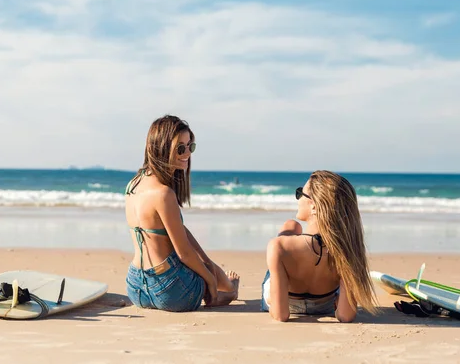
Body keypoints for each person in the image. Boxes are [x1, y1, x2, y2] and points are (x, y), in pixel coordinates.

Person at [125, 115, 239, 312]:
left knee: (206, 265)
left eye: (190, 146)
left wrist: (205, 261)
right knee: (214, 279)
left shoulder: (133, 184)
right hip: (170, 291)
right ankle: (226, 293)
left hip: (135, 286)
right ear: (161, 147)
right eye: (180, 148)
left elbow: (177, 229)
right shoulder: (163, 194)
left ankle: (225, 285)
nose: (187, 153)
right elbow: (184, 253)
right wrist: (210, 279)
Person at [262, 170, 378, 322]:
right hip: (325, 305)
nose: (298, 199)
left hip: (287, 302)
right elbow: (345, 315)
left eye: (300, 194)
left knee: (290, 226)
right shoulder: (347, 248)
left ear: (314, 207)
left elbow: (280, 315)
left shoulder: (278, 246)